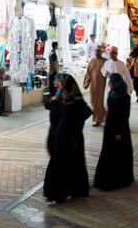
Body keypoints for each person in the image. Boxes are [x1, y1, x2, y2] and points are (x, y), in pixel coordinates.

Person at [43, 74, 91, 203]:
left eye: (61, 82)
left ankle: (71, 191)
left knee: (73, 164)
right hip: (61, 137)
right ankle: (57, 193)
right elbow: (51, 108)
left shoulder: (76, 100)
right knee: (60, 164)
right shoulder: (63, 97)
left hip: (73, 138)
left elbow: (84, 114)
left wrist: (75, 133)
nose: (58, 84)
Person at [94, 73, 133, 190]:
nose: (109, 84)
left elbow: (124, 116)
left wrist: (119, 132)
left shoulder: (125, 97)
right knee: (108, 151)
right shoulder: (112, 93)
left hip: (119, 128)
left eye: (110, 82)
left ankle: (119, 178)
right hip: (110, 126)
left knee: (119, 152)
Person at [83, 45, 107, 127]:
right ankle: (104, 116)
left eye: (98, 51)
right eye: (96, 51)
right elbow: (88, 73)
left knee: (99, 103)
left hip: (102, 86)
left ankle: (98, 120)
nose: (97, 52)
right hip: (93, 86)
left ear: (101, 52)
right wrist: (86, 83)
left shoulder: (105, 61)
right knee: (94, 102)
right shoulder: (92, 61)